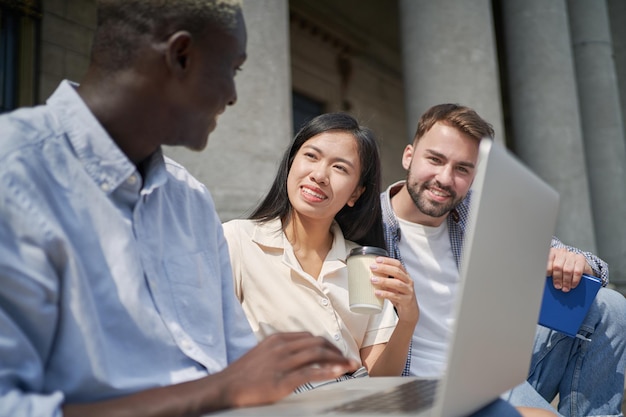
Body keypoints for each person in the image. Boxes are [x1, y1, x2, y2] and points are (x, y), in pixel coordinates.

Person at [0, 2, 360, 416]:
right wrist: (220, 391)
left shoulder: (190, 199)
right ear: (181, 56)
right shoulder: (14, 172)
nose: (233, 95)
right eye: (234, 68)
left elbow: (236, 365)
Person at [381, 103, 626, 416]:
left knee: (610, 306)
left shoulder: (478, 212)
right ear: (408, 155)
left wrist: (573, 260)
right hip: (423, 389)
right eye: (435, 159)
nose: (444, 178)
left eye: (462, 169)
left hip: (494, 372)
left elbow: (596, 267)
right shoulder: (371, 226)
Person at [222, 112, 419, 389]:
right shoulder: (237, 240)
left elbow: (380, 380)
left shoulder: (364, 264)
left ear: (356, 193)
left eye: (340, 168)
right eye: (311, 156)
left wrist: (408, 319)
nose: (319, 175)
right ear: (292, 162)